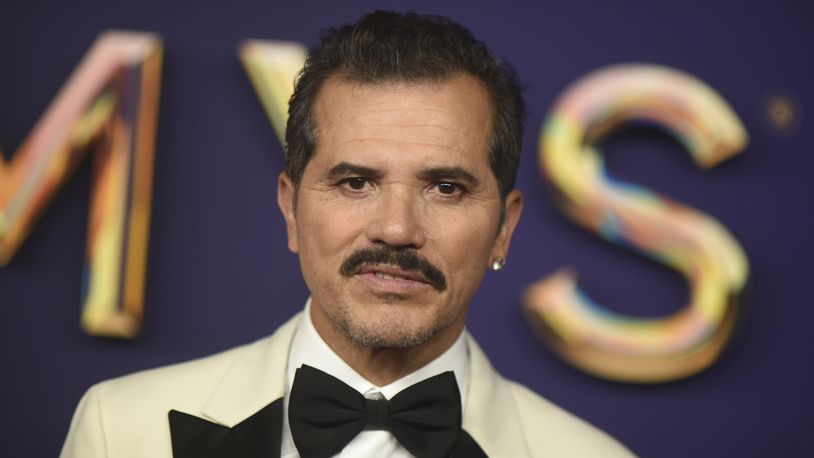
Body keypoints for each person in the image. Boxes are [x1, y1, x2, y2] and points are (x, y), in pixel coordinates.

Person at [62, 10, 634, 458]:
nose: (396, 229)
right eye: (356, 182)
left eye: (446, 188)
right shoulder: (122, 429)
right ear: (291, 209)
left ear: (504, 228)